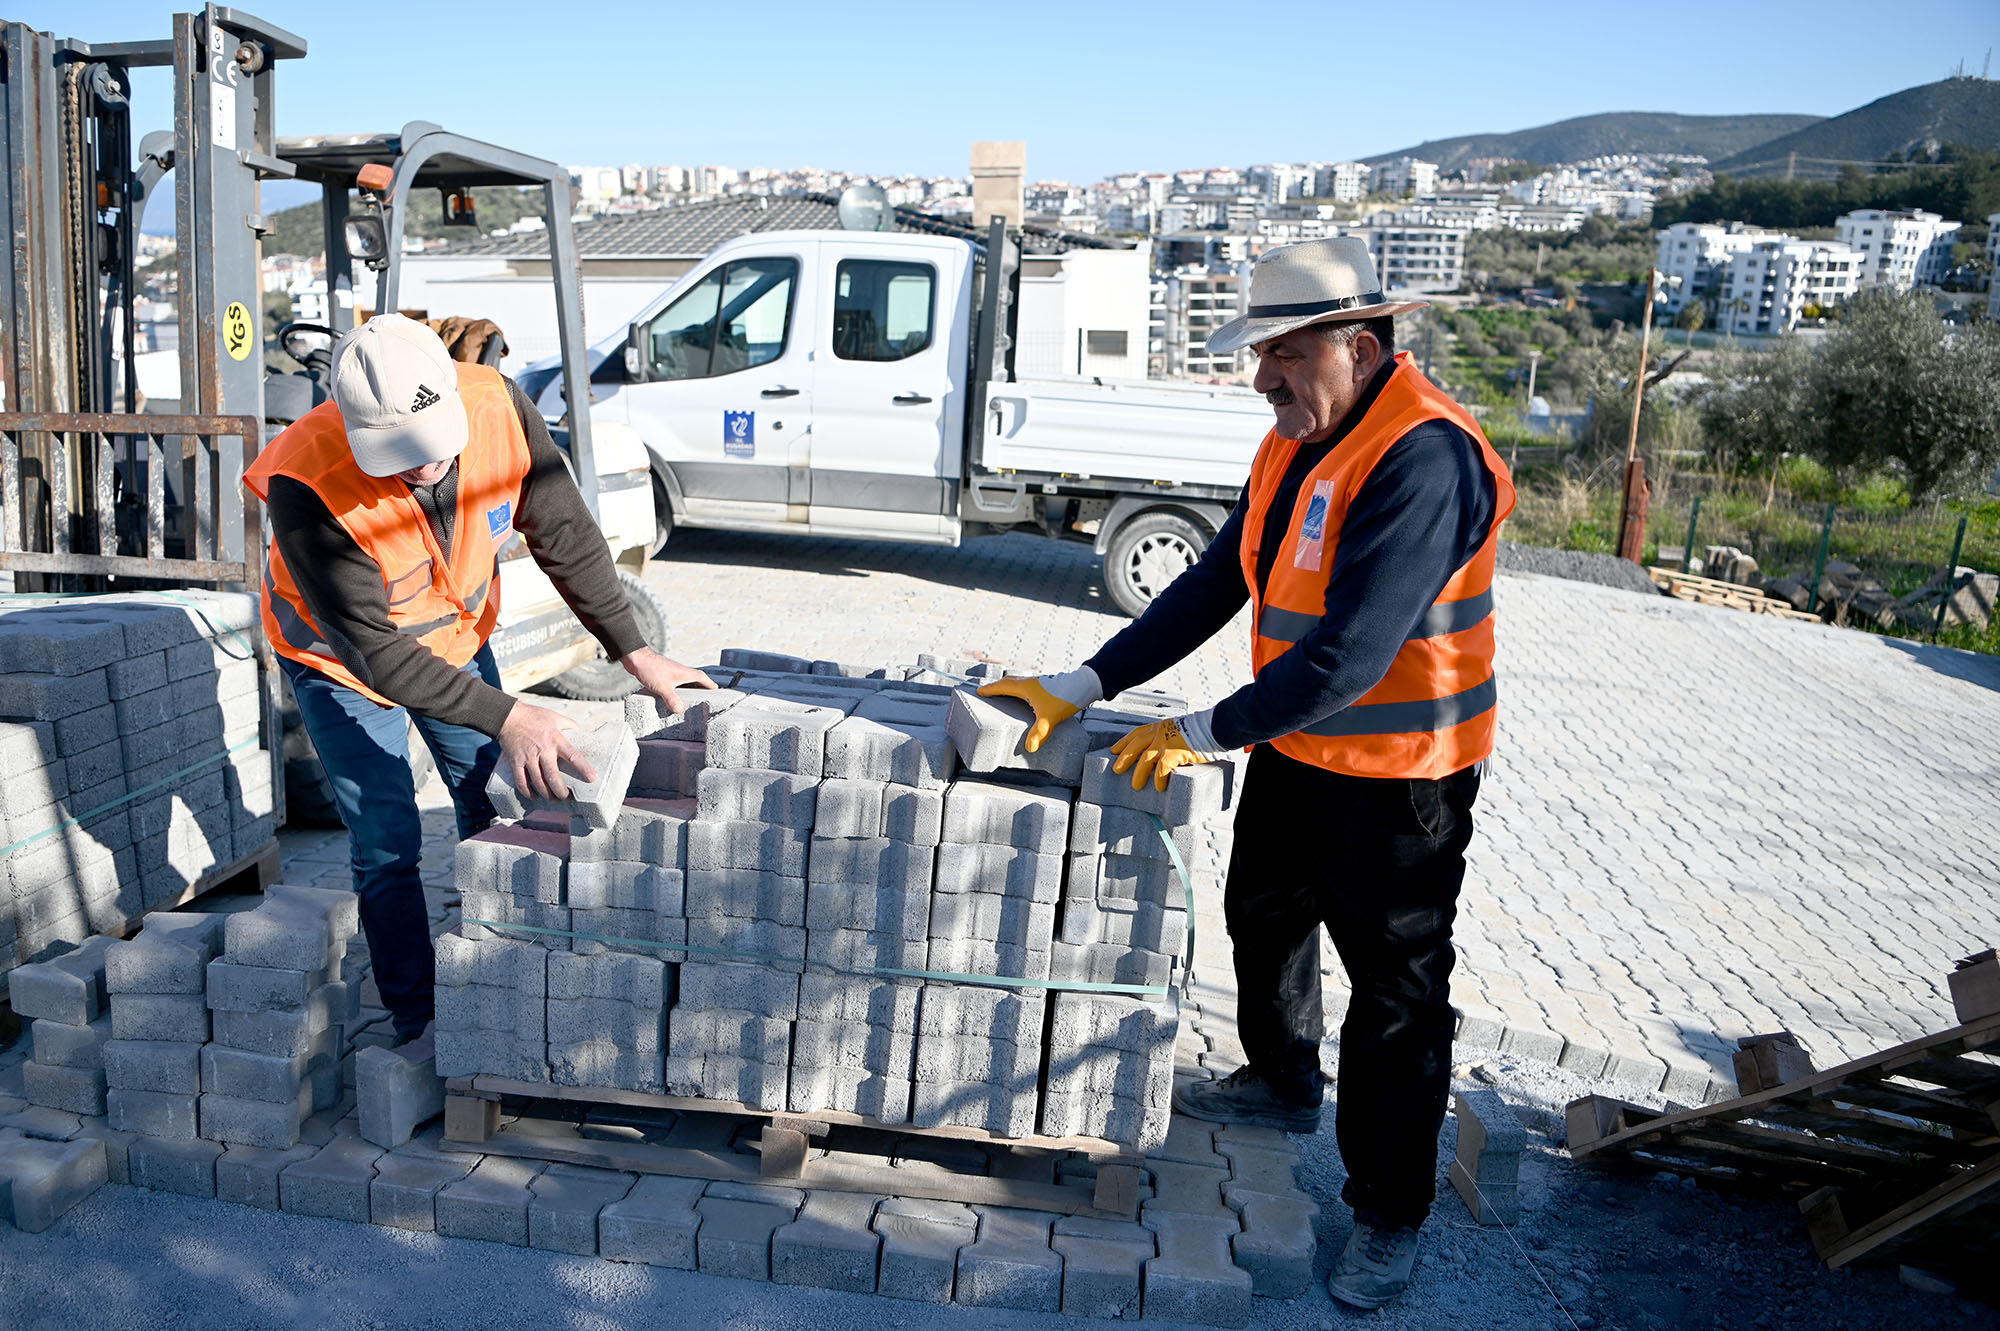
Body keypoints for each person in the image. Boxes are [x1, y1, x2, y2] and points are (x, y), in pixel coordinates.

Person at [982, 237, 1515, 1310]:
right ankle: (1280, 1080)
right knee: (1260, 913)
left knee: (1397, 995)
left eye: (1280, 352)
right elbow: (1220, 576)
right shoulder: (1296, 438)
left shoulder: (1425, 458)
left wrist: (1200, 726)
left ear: (1356, 347)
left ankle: (1387, 1209)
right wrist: (1081, 681)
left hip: (1402, 774)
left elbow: (1352, 655)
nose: (1260, 375)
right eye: (1257, 352)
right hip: (1297, 743)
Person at [245, 314, 711, 1045]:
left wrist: (633, 649)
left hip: (454, 637)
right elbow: (372, 648)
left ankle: (498, 977)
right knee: (387, 840)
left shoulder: (497, 405)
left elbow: (563, 529)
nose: (424, 468)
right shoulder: (306, 481)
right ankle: (420, 1017)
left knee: (494, 804)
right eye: (398, 457)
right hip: (342, 664)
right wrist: (510, 715)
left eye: (430, 448)